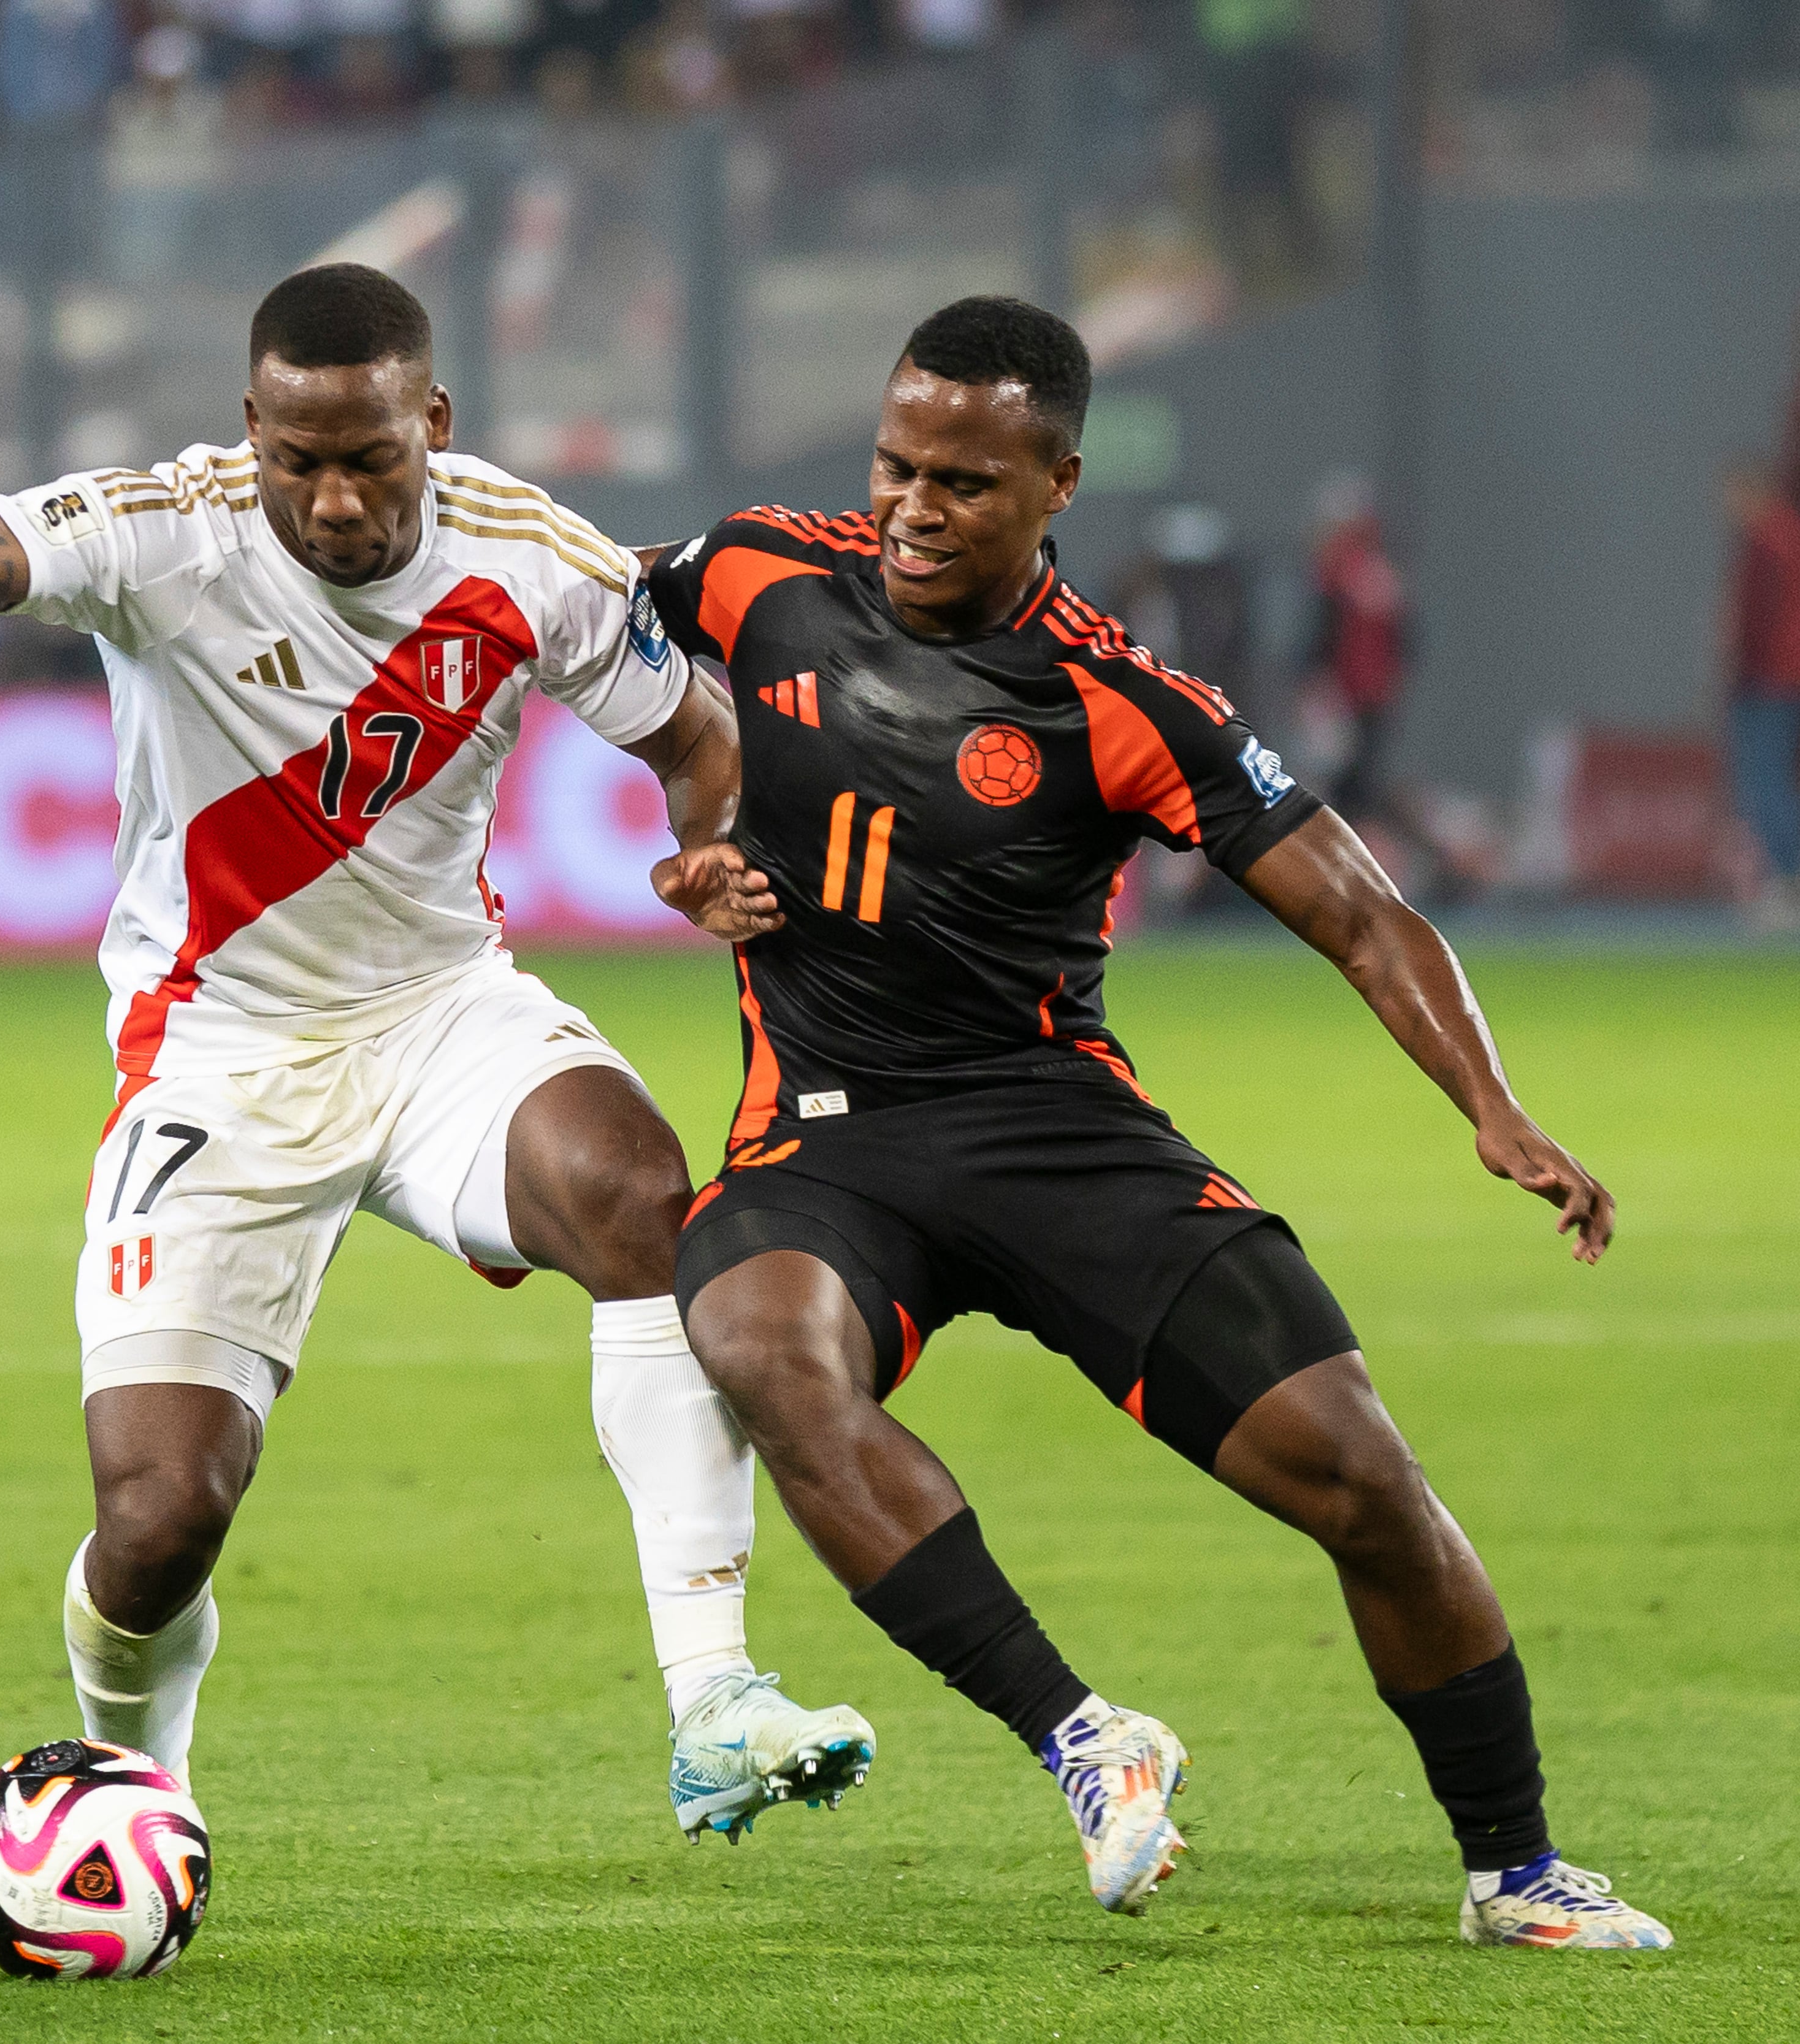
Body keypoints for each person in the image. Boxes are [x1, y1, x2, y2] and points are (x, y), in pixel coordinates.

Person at [0, 263, 874, 1842]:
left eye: (371, 459)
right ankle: (134, 1782)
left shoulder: (529, 556)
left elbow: (698, 739)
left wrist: (710, 850)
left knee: (637, 1195)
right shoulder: (164, 532)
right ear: (249, 430)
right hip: (216, 1050)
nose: (333, 501)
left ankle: (713, 1699)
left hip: (440, 1013)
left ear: (433, 422)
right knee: (158, 1524)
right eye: (298, 461)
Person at [637, 295, 1674, 1948]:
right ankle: (1082, 1735)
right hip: (827, 1139)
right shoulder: (753, 571)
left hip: (1057, 1133)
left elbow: (1361, 911)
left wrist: (1494, 1106)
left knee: (1362, 1478)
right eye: (897, 466)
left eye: (964, 483)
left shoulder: (1120, 697)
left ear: (1058, 482)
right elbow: (573, 631)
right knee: (761, 1347)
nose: (912, 508)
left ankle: (1517, 1867)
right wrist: (694, 842)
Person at [1721, 458, 1800, 932]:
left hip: (1768, 680)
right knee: (1781, 781)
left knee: (1767, 784)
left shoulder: (1769, 542)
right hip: (1794, 676)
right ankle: (1796, 878)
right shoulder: (1797, 535)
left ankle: (1789, 881)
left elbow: (1757, 619)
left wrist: (1736, 668)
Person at [1307, 469, 1406, 825]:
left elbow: (1326, 634)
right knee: (1339, 777)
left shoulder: (1350, 573)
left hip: (1357, 694)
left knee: (1349, 781)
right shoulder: (1362, 575)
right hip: (1351, 693)